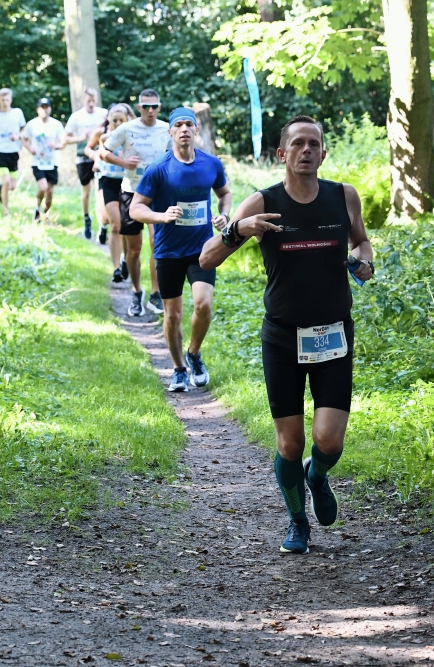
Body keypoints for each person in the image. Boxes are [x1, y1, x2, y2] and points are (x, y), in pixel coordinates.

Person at [199, 116, 374, 554]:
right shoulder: (262, 202)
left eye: (314, 144)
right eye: (297, 144)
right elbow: (206, 259)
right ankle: (298, 522)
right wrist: (237, 229)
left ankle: (318, 475)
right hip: (282, 337)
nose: (306, 150)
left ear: (323, 153)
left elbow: (361, 242)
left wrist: (364, 262)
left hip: (333, 333)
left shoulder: (343, 196)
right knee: (290, 443)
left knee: (329, 441)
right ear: (282, 153)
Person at [129, 107, 231, 390]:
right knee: (172, 315)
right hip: (168, 251)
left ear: (196, 129)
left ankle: (194, 353)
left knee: (203, 304)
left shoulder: (211, 164)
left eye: (189, 124)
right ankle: (178, 370)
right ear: (170, 131)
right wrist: (162, 216)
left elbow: (224, 193)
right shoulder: (158, 169)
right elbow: (136, 208)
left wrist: (224, 215)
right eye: (178, 125)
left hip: (202, 249)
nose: (184, 129)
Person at [101, 89, 168, 316]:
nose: (150, 111)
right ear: (139, 108)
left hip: (158, 194)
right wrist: (124, 163)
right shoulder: (126, 129)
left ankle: (156, 293)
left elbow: (176, 157)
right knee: (134, 249)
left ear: (159, 107)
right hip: (131, 192)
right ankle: (136, 291)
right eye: (146, 106)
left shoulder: (166, 129)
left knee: (156, 243)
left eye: (154, 106)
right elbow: (104, 152)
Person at [86, 103, 133, 283]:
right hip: (108, 181)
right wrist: (96, 160)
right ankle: (116, 269)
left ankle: (125, 259)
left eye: (122, 120)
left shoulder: (133, 136)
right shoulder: (104, 136)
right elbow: (98, 152)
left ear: (127, 120)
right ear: (109, 120)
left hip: (127, 183)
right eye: (115, 120)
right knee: (115, 224)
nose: (118, 123)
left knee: (126, 227)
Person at [64, 88, 107, 239]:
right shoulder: (76, 117)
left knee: (100, 192)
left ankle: (103, 224)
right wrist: (80, 138)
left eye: (93, 100)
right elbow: (65, 139)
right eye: (88, 101)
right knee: (86, 192)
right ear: (83, 100)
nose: (91, 104)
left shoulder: (104, 114)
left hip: (100, 156)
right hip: (83, 157)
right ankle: (87, 219)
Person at [22, 97, 66, 223]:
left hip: (52, 162)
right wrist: (30, 149)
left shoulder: (56, 124)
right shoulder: (32, 124)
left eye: (47, 107)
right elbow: (24, 139)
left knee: (50, 191)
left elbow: (63, 142)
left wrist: (56, 146)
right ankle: (37, 208)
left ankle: (46, 214)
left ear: (50, 109)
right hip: (37, 161)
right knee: (43, 187)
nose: (45, 110)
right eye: (42, 107)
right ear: (38, 109)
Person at [0, 88, 26, 216]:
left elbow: (24, 130)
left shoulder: (17, 113)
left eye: (7, 100)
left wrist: (18, 136)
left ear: (11, 100)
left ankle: (1, 189)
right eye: (2, 100)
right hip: (0, 151)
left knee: (12, 186)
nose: (5, 102)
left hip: (13, 152)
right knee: (6, 182)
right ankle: (6, 211)